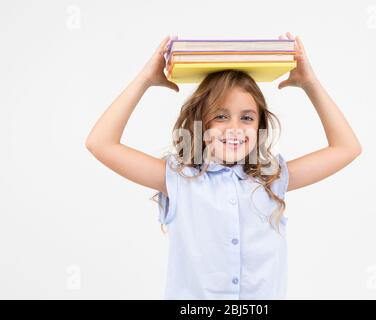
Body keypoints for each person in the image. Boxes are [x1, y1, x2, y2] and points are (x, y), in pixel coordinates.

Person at [85, 32, 362, 299]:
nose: (234, 128)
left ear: (260, 126)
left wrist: (309, 83)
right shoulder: (181, 179)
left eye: (247, 118)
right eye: (220, 115)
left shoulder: (271, 179)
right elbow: (101, 143)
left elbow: (346, 148)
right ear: (200, 123)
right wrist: (145, 79)